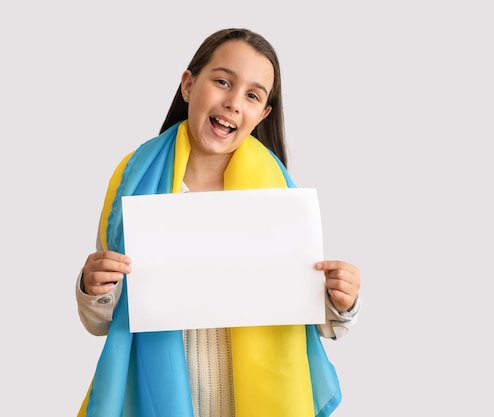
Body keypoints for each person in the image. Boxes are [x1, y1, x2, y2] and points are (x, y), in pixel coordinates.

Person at [75, 28, 361, 417]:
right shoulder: (133, 180)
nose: (233, 103)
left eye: (252, 95)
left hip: (248, 402)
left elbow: (313, 318)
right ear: (189, 85)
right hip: (160, 397)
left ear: (262, 115)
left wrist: (339, 300)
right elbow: (104, 319)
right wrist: (94, 288)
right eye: (223, 81)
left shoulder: (279, 195)